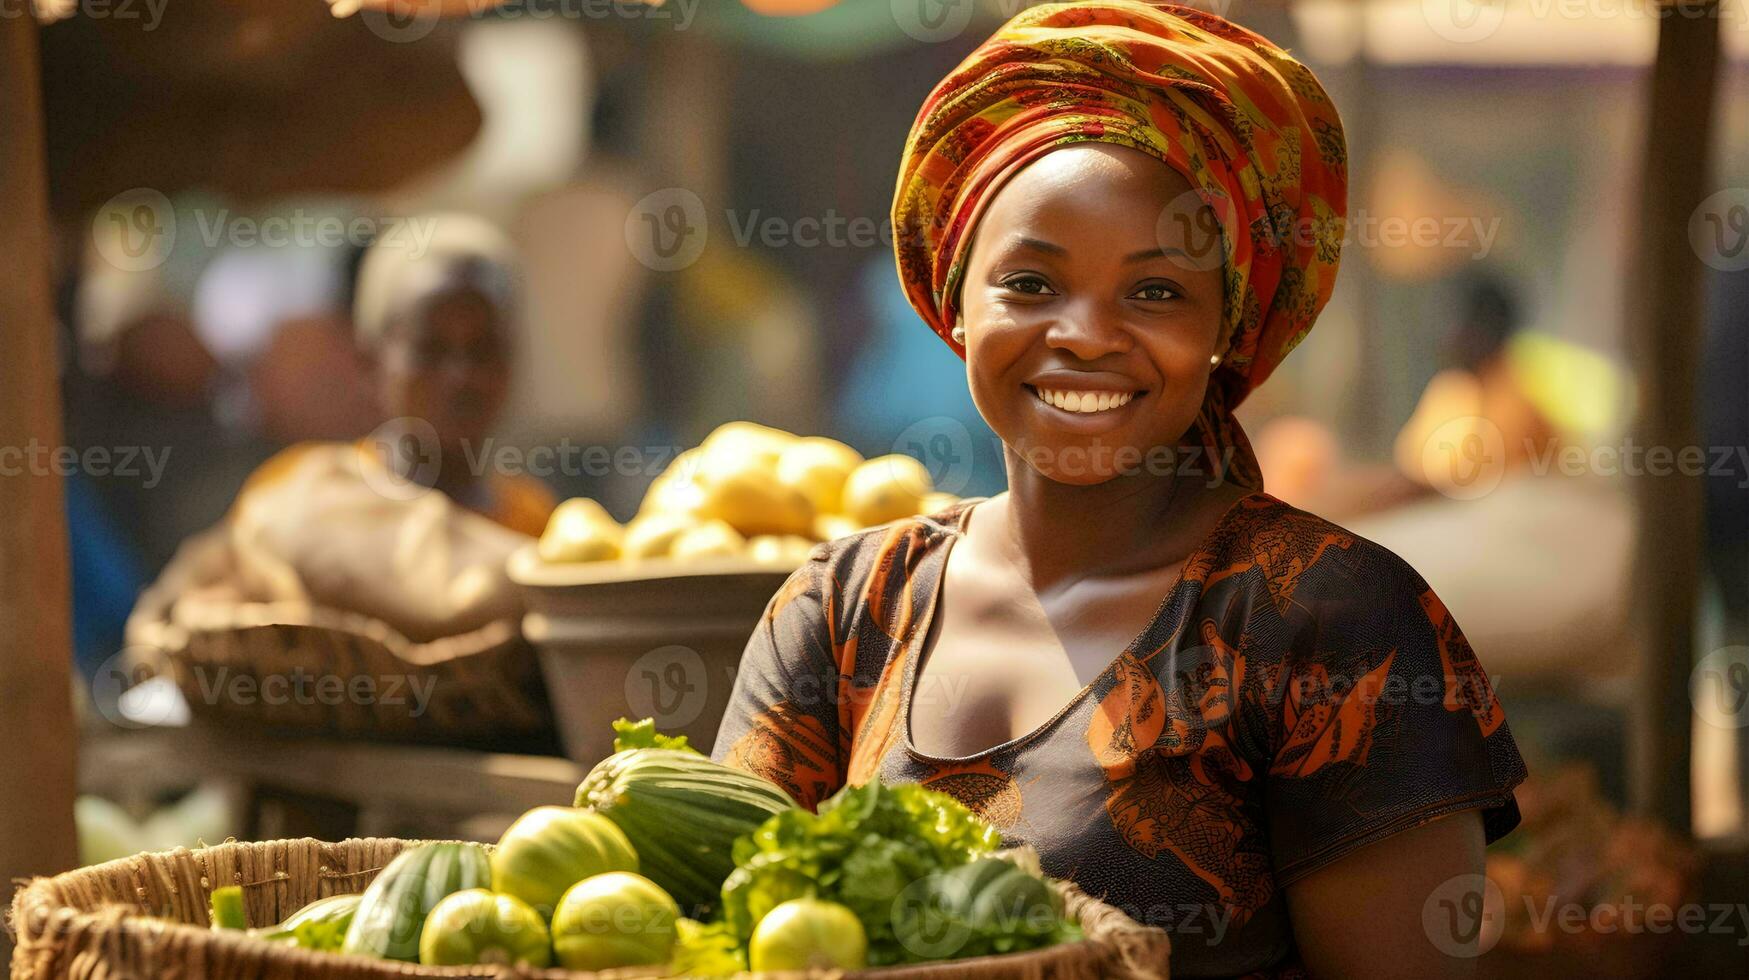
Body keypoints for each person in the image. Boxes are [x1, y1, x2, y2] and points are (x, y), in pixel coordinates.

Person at [712, 4, 1525, 976]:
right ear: (952, 298)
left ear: (1225, 323)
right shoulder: (843, 609)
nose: (1086, 333)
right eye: (1029, 282)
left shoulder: (1327, 618)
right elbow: (724, 936)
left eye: (1155, 291)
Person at [137, 214, 554, 643]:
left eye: (483, 350)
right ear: (371, 362)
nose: (460, 376)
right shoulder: (304, 492)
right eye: (431, 350)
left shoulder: (535, 523)